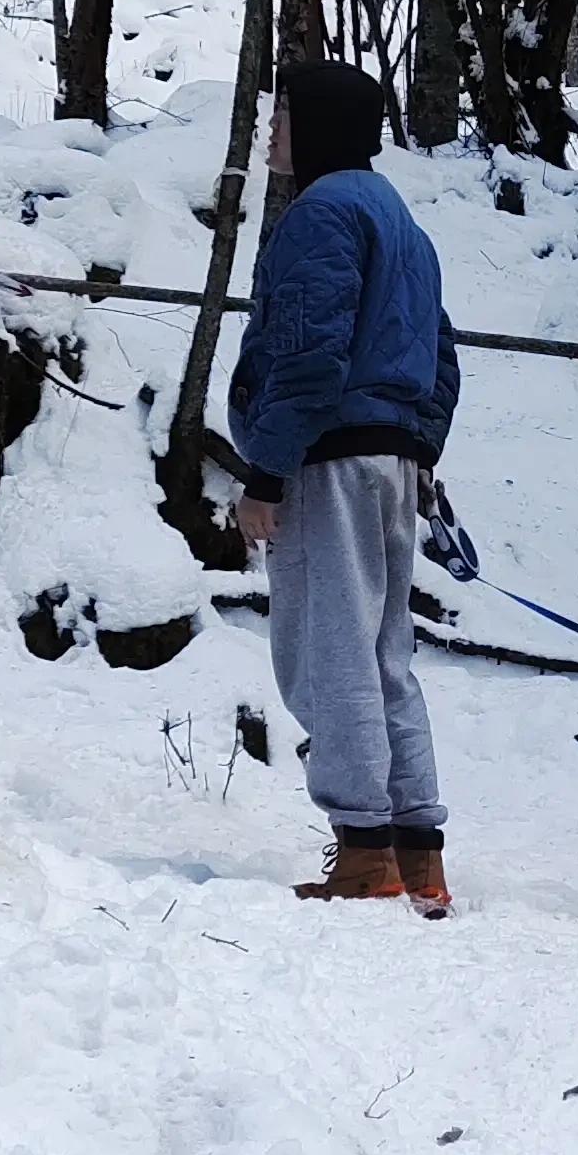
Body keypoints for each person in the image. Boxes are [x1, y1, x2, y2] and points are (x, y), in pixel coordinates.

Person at [231, 61, 465, 917]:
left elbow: (306, 354)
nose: (272, 130)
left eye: (285, 112)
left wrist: (265, 473)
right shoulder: (404, 225)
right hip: (392, 466)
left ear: (323, 122)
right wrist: (421, 450)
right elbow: (441, 360)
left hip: (329, 461)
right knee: (385, 655)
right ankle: (416, 852)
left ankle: (365, 855)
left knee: (329, 651)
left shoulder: (319, 216)